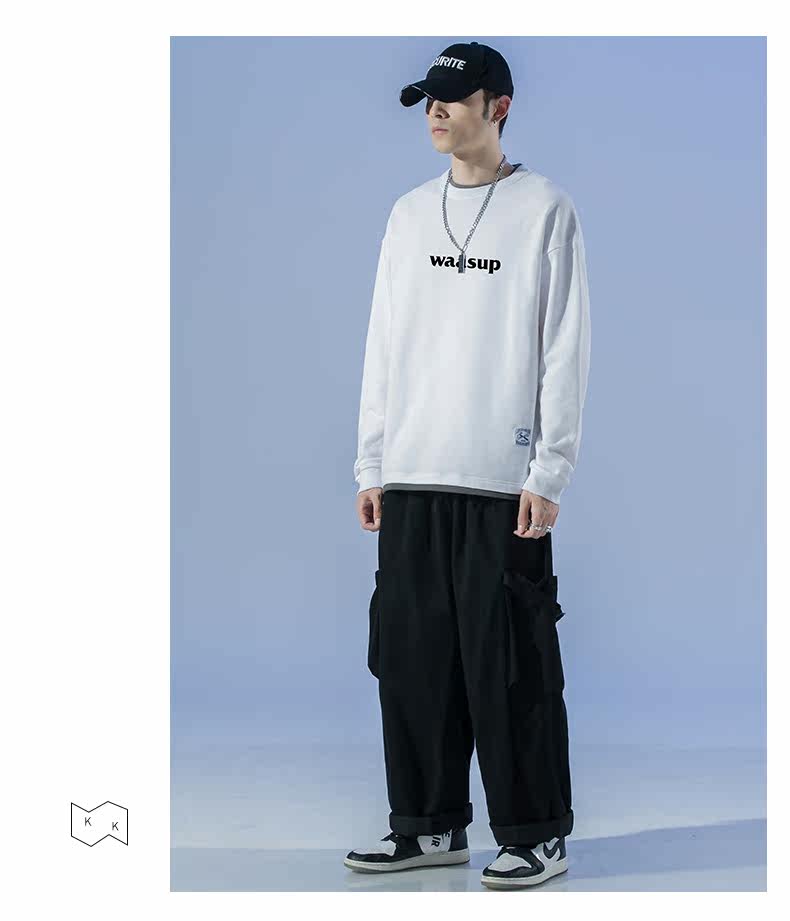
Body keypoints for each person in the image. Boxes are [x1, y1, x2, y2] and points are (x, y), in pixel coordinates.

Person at [344, 40, 591, 890]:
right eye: (429, 99)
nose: (437, 112)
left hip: (501, 481)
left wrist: (548, 471)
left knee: (511, 663)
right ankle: (427, 826)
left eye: (453, 98)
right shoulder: (409, 214)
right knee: (411, 659)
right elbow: (383, 342)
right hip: (414, 472)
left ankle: (537, 833)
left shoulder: (545, 208)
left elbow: (565, 347)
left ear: (500, 106)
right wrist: (371, 462)